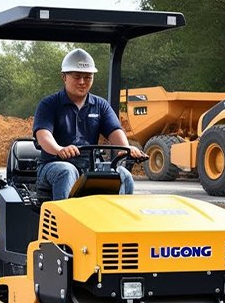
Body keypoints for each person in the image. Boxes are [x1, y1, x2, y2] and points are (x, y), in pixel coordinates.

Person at [34, 48, 145, 200]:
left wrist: (126, 149)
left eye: (87, 77)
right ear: (64, 77)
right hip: (55, 163)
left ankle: (119, 221)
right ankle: (65, 221)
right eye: (77, 76)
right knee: (67, 171)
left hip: (90, 165)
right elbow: (43, 135)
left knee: (123, 175)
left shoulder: (101, 105)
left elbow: (115, 131)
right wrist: (59, 149)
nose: (82, 82)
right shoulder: (49, 104)